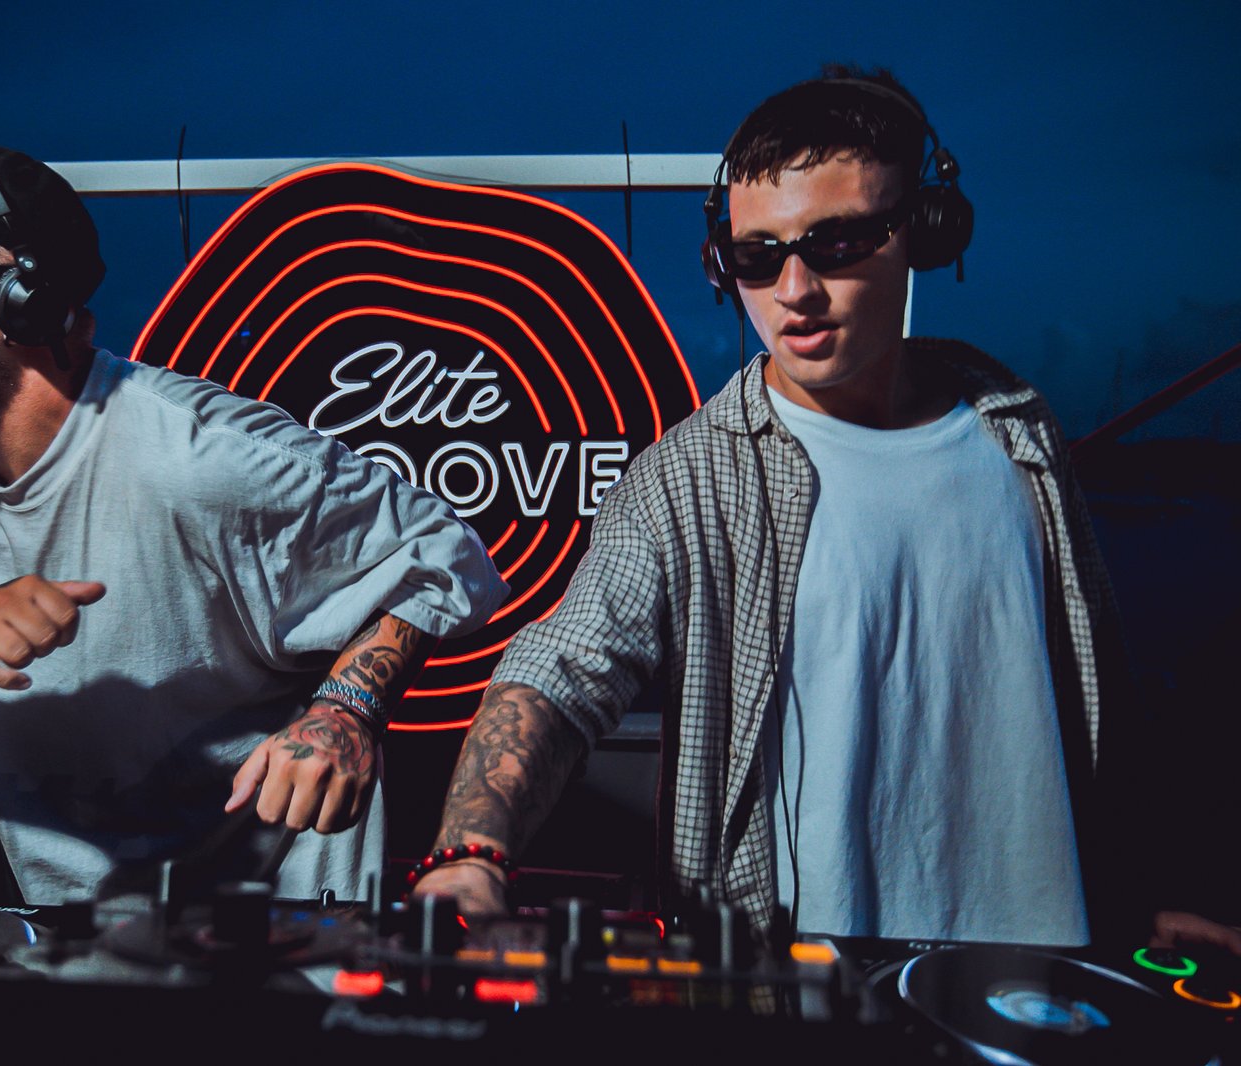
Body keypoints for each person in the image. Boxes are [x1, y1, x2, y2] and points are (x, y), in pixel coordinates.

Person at [413, 68, 1132, 947]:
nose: (793, 289)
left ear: (923, 231)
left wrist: (1152, 890)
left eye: (835, 243)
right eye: (755, 256)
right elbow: (561, 674)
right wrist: (471, 854)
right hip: (800, 981)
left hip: (1049, 970)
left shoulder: (1018, 427)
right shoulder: (688, 479)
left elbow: (1100, 695)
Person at [0, 141, 508, 905]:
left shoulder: (200, 458)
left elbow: (441, 552)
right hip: (69, 943)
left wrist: (347, 712)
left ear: (25, 297)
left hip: (280, 944)